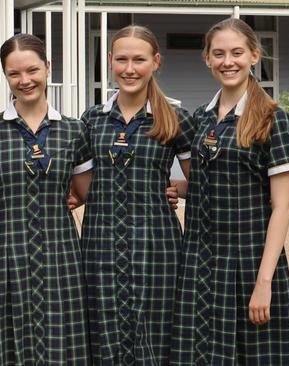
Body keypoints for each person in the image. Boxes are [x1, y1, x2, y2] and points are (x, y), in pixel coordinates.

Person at [170, 17, 289, 365]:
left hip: (249, 263)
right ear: (207, 59)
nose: (228, 61)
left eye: (237, 52)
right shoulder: (201, 117)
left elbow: (283, 207)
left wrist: (264, 282)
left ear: (254, 55)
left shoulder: (273, 118)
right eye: (219, 54)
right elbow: (207, 183)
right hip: (200, 263)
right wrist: (173, 189)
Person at [0, 33, 93, 365]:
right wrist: (14, 196)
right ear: (5, 76)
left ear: (48, 68)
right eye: (14, 73)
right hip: (4, 256)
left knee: (62, 347)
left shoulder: (73, 130)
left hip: (61, 256)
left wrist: (166, 192)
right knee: (6, 345)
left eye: (32, 70)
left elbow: (88, 192)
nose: (24, 81)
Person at [79, 25, 197, 365]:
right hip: (99, 247)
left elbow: (202, 184)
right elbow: (76, 185)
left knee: (157, 338)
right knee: (104, 336)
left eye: (139, 60)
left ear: (155, 62)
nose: (130, 69)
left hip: (157, 247)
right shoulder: (91, 120)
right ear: (111, 61)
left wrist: (177, 189)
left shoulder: (175, 117)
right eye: (122, 60)